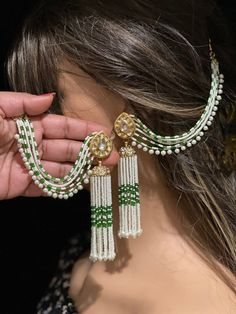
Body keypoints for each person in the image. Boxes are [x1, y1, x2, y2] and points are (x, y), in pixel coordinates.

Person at [1, 0, 236, 313]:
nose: (30, 124)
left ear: (137, 100)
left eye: (52, 98)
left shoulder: (200, 302)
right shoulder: (82, 251)